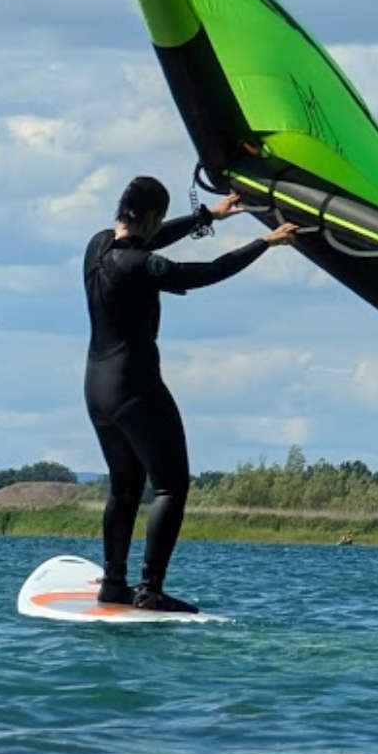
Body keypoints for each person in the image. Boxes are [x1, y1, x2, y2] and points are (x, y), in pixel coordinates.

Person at [84, 176, 300, 611]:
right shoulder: (140, 265)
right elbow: (206, 273)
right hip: (136, 386)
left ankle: (114, 583)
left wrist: (208, 216)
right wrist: (265, 243)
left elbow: (151, 240)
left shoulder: (98, 245)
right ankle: (150, 590)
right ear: (150, 216)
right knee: (171, 486)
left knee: (125, 487)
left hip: (97, 387)